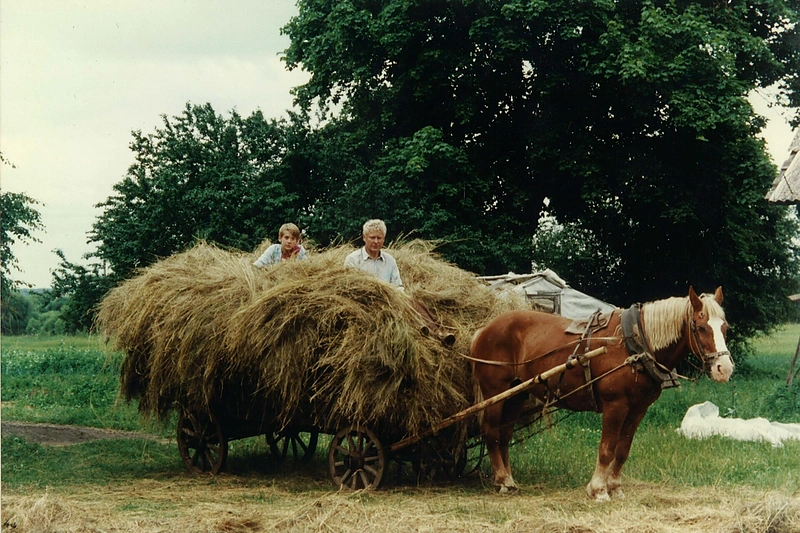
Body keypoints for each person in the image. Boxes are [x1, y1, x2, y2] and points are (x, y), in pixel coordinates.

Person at [343, 219, 403, 289]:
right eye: (372, 237)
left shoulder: (390, 261)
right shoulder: (352, 260)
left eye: (379, 238)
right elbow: (350, 288)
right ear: (364, 237)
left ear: (384, 239)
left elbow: (398, 287)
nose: (376, 241)